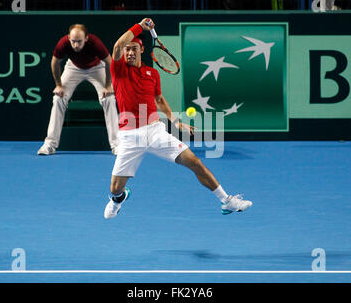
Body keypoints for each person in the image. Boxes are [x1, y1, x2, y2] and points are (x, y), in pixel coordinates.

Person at [103, 18, 253, 219]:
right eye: (127, 49)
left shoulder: (153, 74)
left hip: (155, 131)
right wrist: (140, 26)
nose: (129, 52)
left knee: (195, 162)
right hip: (130, 136)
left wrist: (175, 121)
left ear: (142, 50)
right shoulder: (118, 69)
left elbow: (159, 99)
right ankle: (118, 199)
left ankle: (227, 200)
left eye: (134, 49)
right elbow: (117, 45)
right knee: (115, 188)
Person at [37, 24, 119, 155]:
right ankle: (50, 145)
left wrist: (108, 86)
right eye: (73, 41)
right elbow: (55, 62)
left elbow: (110, 62)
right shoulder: (63, 43)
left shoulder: (95, 42)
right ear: (69, 38)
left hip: (97, 68)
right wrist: (58, 85)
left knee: (109, 98)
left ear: (86, 38)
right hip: (73, 68)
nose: (75, 45)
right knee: (58, 98)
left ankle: (117, 145)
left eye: (79, 41)